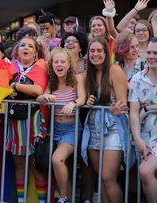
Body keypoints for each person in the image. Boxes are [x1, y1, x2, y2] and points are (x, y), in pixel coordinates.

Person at [82, 37, 130, 203]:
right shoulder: (89, 74)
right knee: (102, 179)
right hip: (93, 128)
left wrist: (114, 107)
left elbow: (123, 102)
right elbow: (86, 98)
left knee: (108, 178)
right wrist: (88, 102)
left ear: (105, 52)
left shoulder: (115, 70)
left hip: (113, 128)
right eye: (92, 51)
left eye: (99, 51)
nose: (95, 54)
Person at [37, 47, 85, 203]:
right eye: (56, 62)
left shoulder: (77, 78)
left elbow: (82, 98)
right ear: (52, 65)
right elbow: (40, 98)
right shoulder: (52, 81)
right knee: (62, 167)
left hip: (71, 129)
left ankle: (63, 198)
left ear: (69, 64)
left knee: (57, 159)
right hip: (55, 129)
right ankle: (68, 199)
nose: (59, 64)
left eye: (63, 61)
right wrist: (45, 97)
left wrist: (73, 103)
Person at [7, 36, 49, 203]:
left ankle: (41, 201)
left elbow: (38, 90)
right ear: (17, 51)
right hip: (14, 120)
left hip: (33, 121)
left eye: (30, 46)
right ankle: (21, 201)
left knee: (36, 164)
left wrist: (15, 86)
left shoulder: (40, 66)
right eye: (22, 45)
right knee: (19, 164)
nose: (26, 48)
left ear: (35, 53)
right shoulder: (10, 67)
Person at [129, 37, 157, 203]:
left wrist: (149, 108)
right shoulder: (137, 79)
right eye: (149, 52)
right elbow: (133, 112)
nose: (152, 56)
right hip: (147, 137)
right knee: (146, 174)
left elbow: (141, 110)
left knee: (145, 172)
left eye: (156, 53)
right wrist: (138, 139)